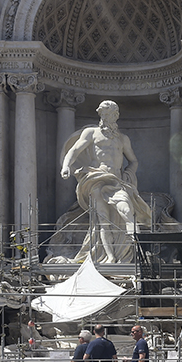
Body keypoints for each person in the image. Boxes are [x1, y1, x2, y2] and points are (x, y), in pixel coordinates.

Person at [60, 100, 153, 263]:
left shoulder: (123, 139)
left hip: (116, 181)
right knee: (103, 220)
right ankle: (110, 257)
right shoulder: (91, 133)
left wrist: (128, 174)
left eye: (109, 114)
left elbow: (134, 161)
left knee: (126, 208)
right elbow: (74, 150)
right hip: (96, 178)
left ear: (116, 116)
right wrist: (66, 166)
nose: (106, 117)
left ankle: (132, 245)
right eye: (103, 114)